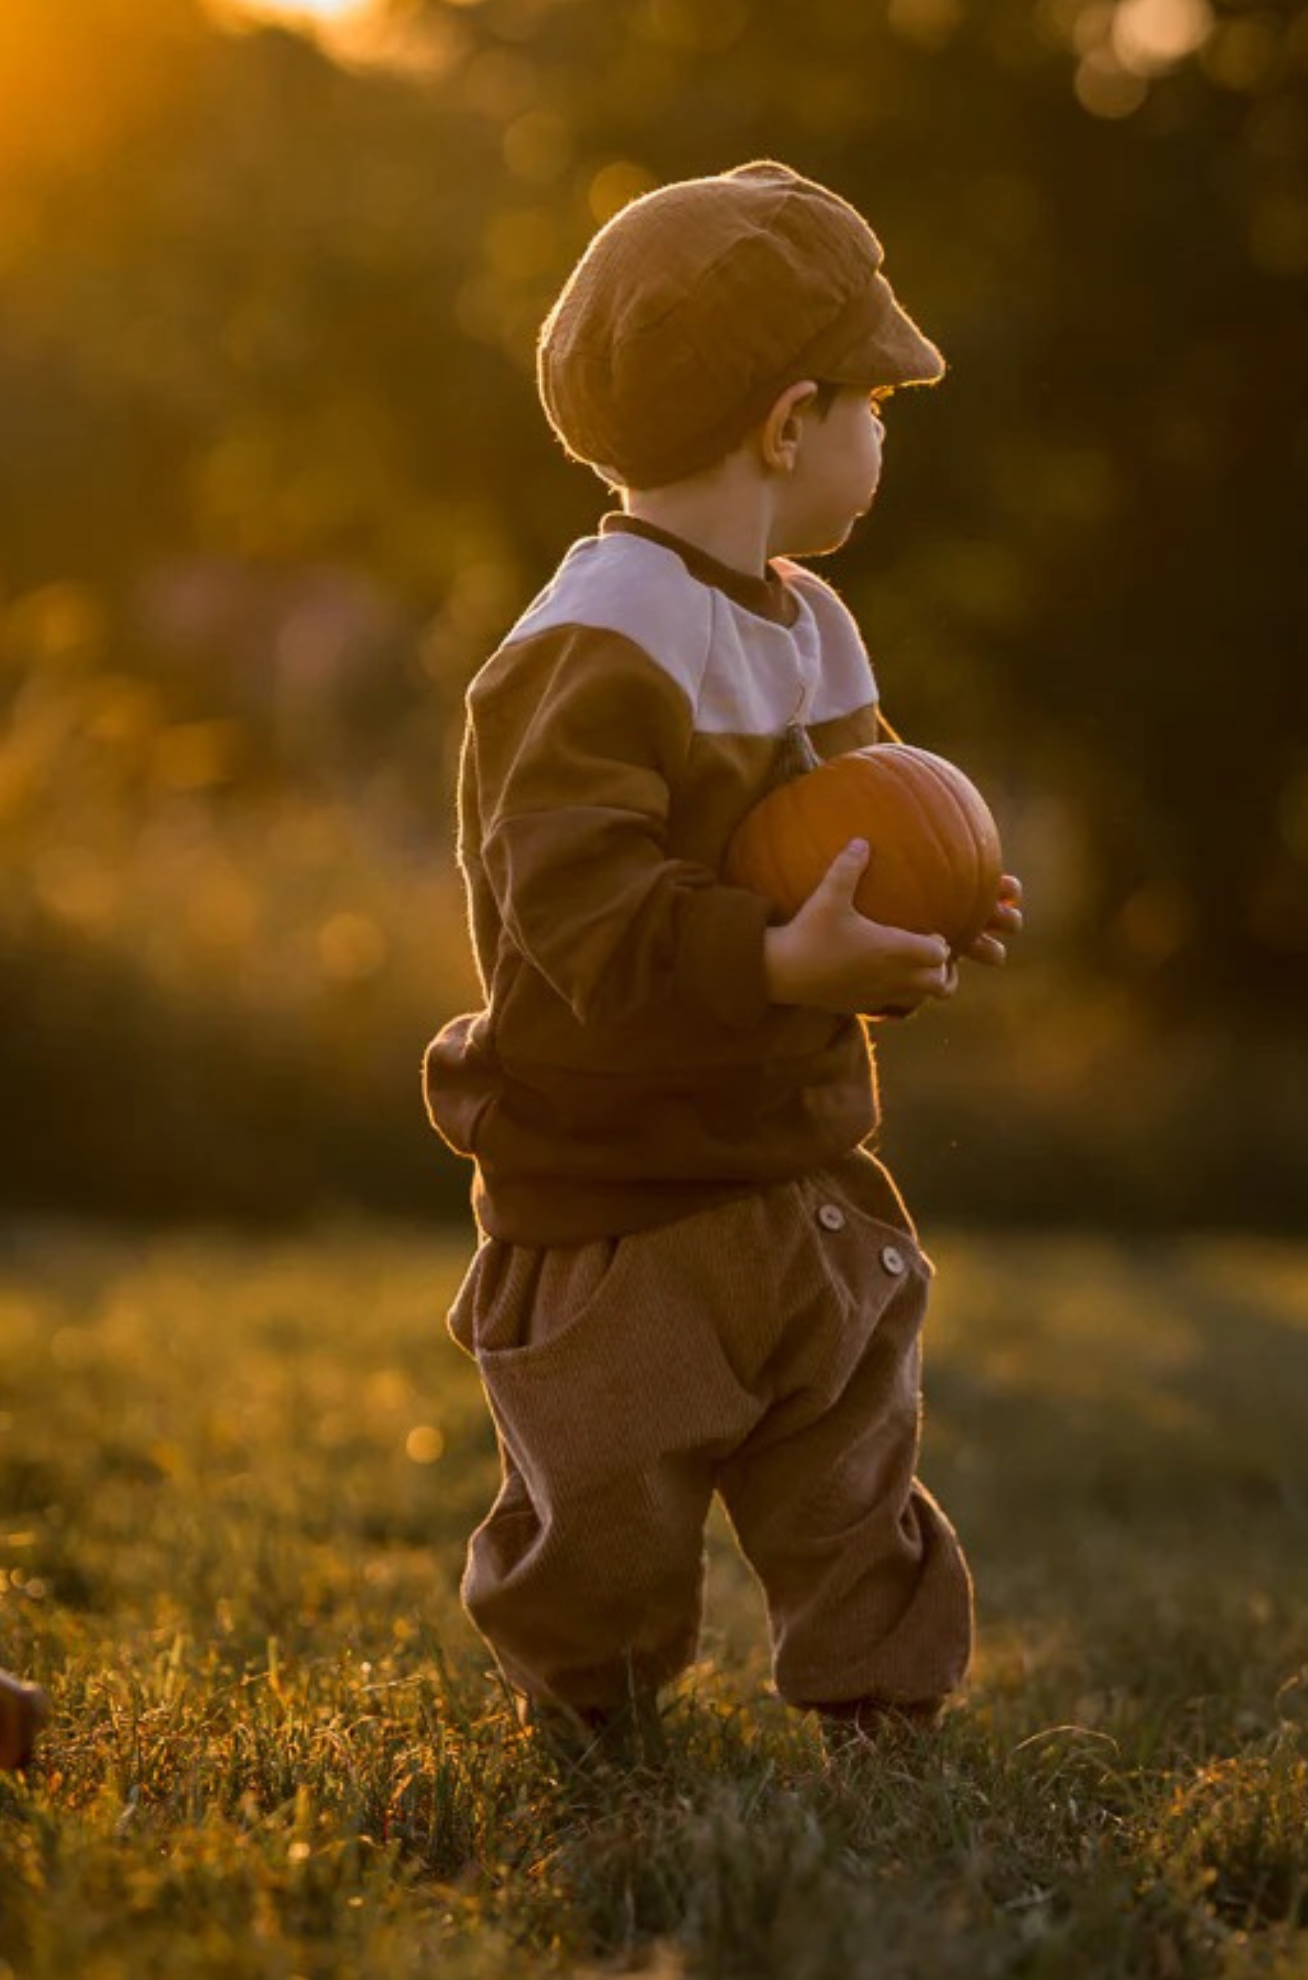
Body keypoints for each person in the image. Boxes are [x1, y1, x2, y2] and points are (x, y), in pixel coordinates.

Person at [423, 160, 1023, 1763]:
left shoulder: (812, 625)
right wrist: (776, 959)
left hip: (793, 1164)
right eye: (877, 403)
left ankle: (884, 1718)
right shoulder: (594, 641)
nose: (886, 435)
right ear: (788, 423)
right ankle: (594, 1724)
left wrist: (927, 916)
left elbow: (849, 832)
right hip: (620, 1200)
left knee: (851, 1457)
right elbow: (582, 912)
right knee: (608, 1510)